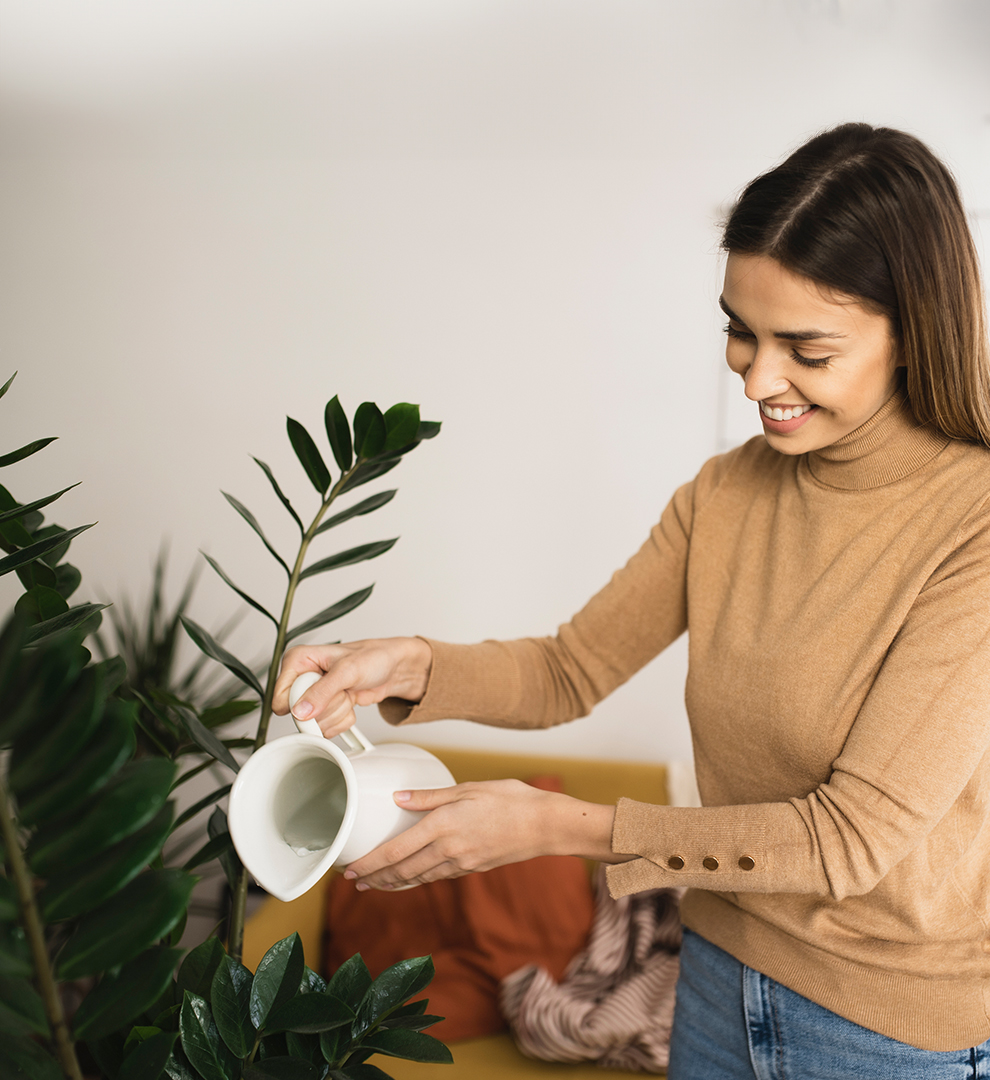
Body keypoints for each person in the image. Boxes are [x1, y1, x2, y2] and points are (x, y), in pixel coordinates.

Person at [272, 123, 990, 1077]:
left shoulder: (970, 528)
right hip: (713, 982)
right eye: (740, 330)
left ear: (913, 335)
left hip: (883, 1035)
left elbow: (849, 840)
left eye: (806, 351)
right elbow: (569, 670)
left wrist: (553, 828)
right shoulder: (727, 494)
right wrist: (413, 666)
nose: (759, 379)